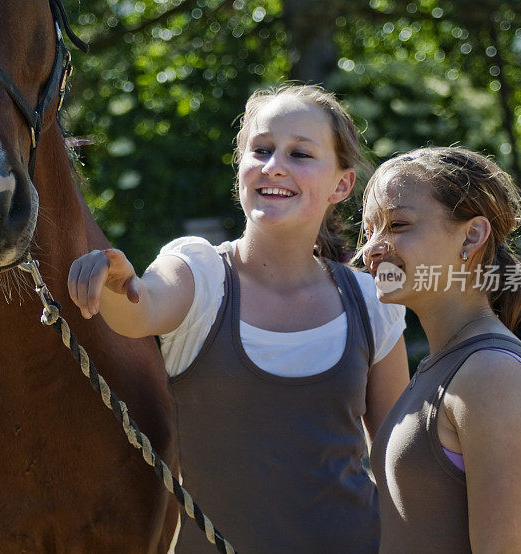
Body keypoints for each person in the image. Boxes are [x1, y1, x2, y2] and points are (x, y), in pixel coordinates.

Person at [68, 84, 409, 553]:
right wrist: (115, 280)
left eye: (300, 154)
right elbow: (140, 309)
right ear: (241, 168)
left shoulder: (373, 301)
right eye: (262, 149)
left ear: (342, 184)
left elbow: (401, 459)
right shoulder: (200, 273)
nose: (275, 166)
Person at [361, 146, 521, 553]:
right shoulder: (447, 364)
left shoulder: (491, 374)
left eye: (397, 224)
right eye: (371, 229)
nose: (372, 249)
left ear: (472, 235)